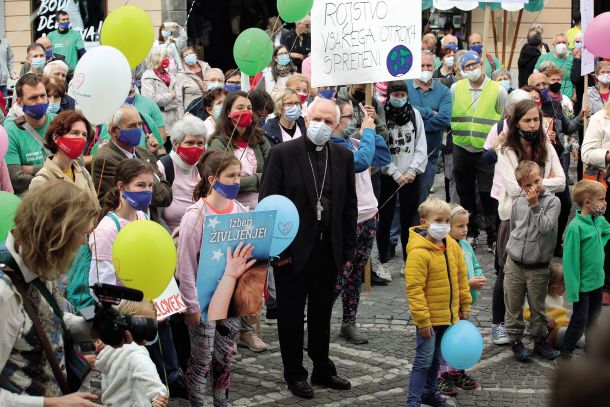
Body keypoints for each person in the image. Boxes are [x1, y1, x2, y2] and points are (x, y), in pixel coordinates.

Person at [258, 98, 357, 399]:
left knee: (321, 313)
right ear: (306, 116)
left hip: (328, 250)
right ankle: (294, 373)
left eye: (329, 121)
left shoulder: (342, 156)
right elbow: (268, 205)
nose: (322, 126)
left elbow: (349, 207)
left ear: (337, 124)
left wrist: (348, 252)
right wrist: (277, 250)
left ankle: (321, 367)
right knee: (289, 315)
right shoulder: (282, 154)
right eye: (318, 119)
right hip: (292, 252)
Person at [89, 158, 187, 399]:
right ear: (121, 187)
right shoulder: (107, 229)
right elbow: (100, 287)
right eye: (140, 186)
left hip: (154, 311)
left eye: (150, 186)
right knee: (141, 376)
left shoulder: (143, 218)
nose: (147, 191)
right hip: (129, 319)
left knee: (166, 366)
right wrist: (137, 305)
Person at [0, 181, 101, 406]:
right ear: (55, 237)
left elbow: (41, 318)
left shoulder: (36, 264)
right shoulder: (4, 293)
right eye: (78, 238)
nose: (81, 245)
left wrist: (92, 328)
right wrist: (51, 403)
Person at [176, 151, 246, 407]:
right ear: (213, 179)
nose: (237, 180)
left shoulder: (240, 209)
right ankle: (197, 401)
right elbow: (185, 265)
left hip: (231, 299)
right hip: (203, 301)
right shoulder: (196, 216)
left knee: (225, 356)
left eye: (239, 175)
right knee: (202, 358)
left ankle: (221, 402)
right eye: (231, 176)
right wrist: (191, 306)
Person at [494, 99, 565, 344]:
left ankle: (536, 326)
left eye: (536, 119)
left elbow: (563, 181)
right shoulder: (506, 149)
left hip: (543, 213)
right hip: (513, 216)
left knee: (537, 273)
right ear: (516, 123)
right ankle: (499, 323)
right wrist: (541, 182)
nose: (533, 125)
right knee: (507, 271)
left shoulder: (545, 145)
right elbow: (515, 189)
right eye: (528, 120)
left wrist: (536, 184)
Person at [331, 98, 391, 343]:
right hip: (348, 220)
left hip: (367, 216)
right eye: (347, 117)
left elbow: (382, 156)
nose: (350, 121)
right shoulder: (333, 147)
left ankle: (349, 321)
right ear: (336, 121)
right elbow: (361, 162)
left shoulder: (354, 141)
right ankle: (318, 322)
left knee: (356, 274)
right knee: (339, 275)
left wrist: (371, 128)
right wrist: (366, 131)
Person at [405, 197, 471, 407]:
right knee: (423, 360)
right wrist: (423, 320)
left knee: (436, 358)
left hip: (448, 315)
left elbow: (461, 277)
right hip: (429, 319)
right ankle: (413, 400)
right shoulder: (418, 253)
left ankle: (430, 392)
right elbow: (415, 290)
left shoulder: (451, 245)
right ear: (424, 222)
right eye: (438, 220)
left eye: (446, 221)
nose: (443, 225)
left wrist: (464, 304)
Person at [504, 160, 561, 362]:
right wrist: (511, 251)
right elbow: (514, 228)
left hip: (538, 265)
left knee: (538, 307)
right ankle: (515, 340)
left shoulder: (553, 202)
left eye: (536, 181)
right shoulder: (518, 201)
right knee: (513, 304)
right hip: (515, 263)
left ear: (542, 177)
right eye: (528, 185)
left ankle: (539, 340)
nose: (533, 187)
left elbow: (546, 228)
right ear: (521, 186)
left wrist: (536, 206)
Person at [451, 51, 507, 250]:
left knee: (488, 194)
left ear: (481, 64)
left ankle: (492, 235)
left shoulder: (497, 90)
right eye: (467, 67)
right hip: (461, 146)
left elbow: (503, 118)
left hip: (486, 150)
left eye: (474, 65)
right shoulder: (455, 88)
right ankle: (471, 232)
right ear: (462, 70)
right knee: (465, 193)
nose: (471, 69)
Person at [376, 80, 427, 281]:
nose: (399, 98)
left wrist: (413, 170)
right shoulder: (382, 114)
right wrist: (394, 172)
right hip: (388, 176)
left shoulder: (415, 115)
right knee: (385, 220)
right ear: (389, 96)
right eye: (395, 95)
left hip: (411, 176)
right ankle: (382, 261)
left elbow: (421, 144)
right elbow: (380, 147)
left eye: (402, 94)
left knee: (409, 220)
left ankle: (409, 261)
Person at [90, 104, 172, 218]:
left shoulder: (145, 153)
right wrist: (153, 182)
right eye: (132, 126)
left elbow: (167, 196)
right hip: (125, 227)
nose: (138, 129)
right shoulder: (105, 158)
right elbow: (124, 202)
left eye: (140, 124)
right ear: (114, 131)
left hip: (151, 222)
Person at [437, 204, 484, 397]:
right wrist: (469, 283)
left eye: (466, 225)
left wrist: (479, 276)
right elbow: (449, 279)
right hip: (449, 304)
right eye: (460, 226)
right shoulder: (446, 249)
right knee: (446, 339)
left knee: (459, 339)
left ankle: (456, 371)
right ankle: (440, 375)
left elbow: (475, 265)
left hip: (465, 302)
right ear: (448, 226)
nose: (465, 229)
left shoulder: (465, 245)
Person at [560, 179, 610, 359]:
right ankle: (565, 352)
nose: (605, 203)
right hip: (582, 287)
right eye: (602, 199)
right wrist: (573, 291)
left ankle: (592, 347)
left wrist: (599, 245)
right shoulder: (576, 228)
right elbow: (570, 262)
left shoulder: (599, 221)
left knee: (594, 318)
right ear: (588, 202)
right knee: (580, 319)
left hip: (598, 283)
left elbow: (607, 231)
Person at [208, 91, 270, 210]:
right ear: (228, 112)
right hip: (231, 209)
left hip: (261, 206)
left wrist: (243, 181)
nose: (245, 111)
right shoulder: (218, 143)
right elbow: (225, 182)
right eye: (240, 107)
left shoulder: (260, 140)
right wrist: (258, 179)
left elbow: (271, 174)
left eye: (249, 108)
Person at [407, 50, 452, 202]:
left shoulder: (444, 91)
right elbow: (405, 111)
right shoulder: (405, 87)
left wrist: (416, 120)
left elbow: (445, 119)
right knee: (404, 201)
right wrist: (429, 112)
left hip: (430, 155)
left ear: (434, 67)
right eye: (422, 66)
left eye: (428, 66)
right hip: (406, 155)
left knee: (422, 200)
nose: (425, 69)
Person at [28, 110, 97, 205]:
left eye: (84, 134)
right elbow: (41, 219)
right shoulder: (42, 181)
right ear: (56, 137)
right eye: (75, 133)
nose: (81, 138)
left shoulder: (84, 173)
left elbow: (96, 209)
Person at [4, 73, 55, 194]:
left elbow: (76, 165)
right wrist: (58, 174)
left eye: (43, 96)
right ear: (20, 102)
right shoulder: (10, 130)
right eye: (33, 98)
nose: (40, 102)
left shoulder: (60, 122)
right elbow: (16, 179)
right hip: (30, 204)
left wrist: (31, 169)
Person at [580, 107, 610, 306]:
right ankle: (605, 284)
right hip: (606, 185)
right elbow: (587, 153)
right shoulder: (600, 118)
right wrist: (608, 155)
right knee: (606, 234)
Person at [157, 115, 206, 232]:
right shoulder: (163, 167)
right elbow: (155, 216)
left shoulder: (202, 168)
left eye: (200, 143)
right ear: (175, 143)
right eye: (190, 142)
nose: (196, 147)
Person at [523, 262, 583, 350]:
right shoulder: (540, 297)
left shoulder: (558, 297)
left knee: (583, 327)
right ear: (553, 285)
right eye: (563, 284)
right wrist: (545, 316)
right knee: (574, 333)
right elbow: (526, 313)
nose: (566, 287)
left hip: (560, 329)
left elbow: (560, 316)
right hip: (549, 335)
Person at [95, 340, 169, 407]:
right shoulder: (134, 353)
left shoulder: (107, 358)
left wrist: (156, 396)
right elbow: (148, 374)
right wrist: (157, 395)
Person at [141, 47, 184, 132]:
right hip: (159, 125)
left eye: (167, 56)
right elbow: (151, 101)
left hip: (174, 124)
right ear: (156, 58)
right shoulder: (148, 77)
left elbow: (178, 99)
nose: (167, 59)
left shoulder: (171, 76)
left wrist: (163, 107)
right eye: (164, 56)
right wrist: (170, 95)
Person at [534, 33, 574, 99]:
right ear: (553, 45)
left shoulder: (572, 60)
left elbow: (577, 83)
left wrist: (573, 100)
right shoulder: (543, 58)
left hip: (567, 100)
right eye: (558, 43)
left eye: (564, 42)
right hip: (547, 99)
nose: (561, 44)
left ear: (568, 44)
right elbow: (535, 77)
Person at [176, 47, 210, 111]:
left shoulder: (206, 67)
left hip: (210, 105)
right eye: (186, 55)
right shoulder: (181, 75)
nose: (189, 56)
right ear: (183, 60)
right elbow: (179, 98)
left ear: (195, 54)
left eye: (191, 53)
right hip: (193, 109)